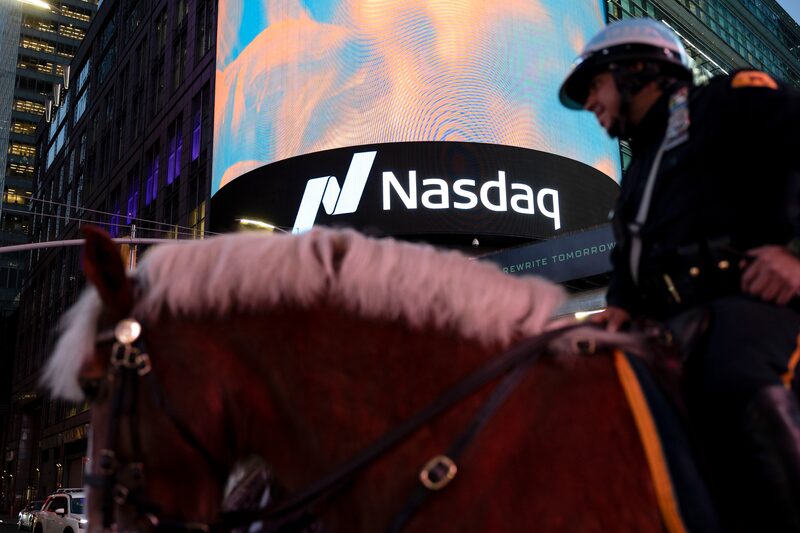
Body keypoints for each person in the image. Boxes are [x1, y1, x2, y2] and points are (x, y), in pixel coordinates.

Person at [559, 18, 800, 531]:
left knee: (737, 377)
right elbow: (631, 262)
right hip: (670, 326)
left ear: (637, 70)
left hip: (751, 305)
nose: (591, 103)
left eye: (595, 85)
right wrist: (616, 310)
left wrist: (795, 259)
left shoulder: (729, 100)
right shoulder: (638, 172)